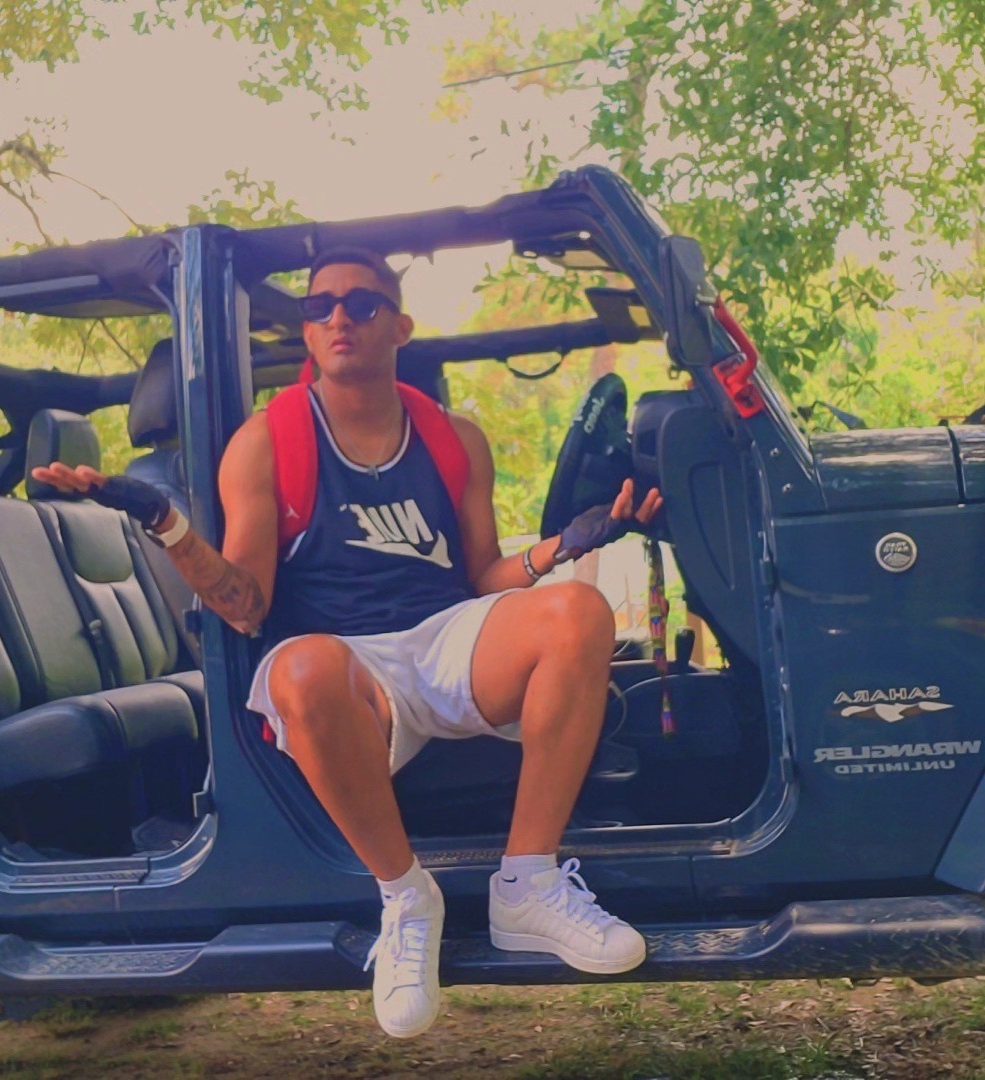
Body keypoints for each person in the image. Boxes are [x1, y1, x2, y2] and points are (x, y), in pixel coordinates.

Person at [33, 247, 664, 1038]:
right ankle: (406, 899)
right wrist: (165, 523)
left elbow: (482, 575)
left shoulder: (454, 439)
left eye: (361, 304)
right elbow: (245, 606)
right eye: (320, 306)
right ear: (307, 330)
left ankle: (528, 886)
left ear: (400, 326)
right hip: (348, 662)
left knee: (578, 612)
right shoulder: (268, 442)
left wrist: (564, 545)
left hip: (442, 635)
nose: (338, 317)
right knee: (299, 669)